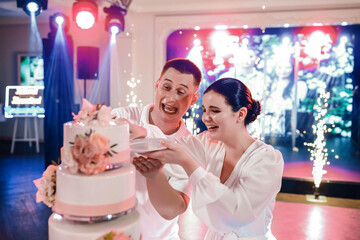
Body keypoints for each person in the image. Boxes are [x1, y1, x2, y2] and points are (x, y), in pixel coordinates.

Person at [135, 78, 284, 239]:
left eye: (215, 111)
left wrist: (189, 164)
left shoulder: (268, 159)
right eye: (204, 110)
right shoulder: (208, 143)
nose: (205, 117)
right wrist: (139, 132)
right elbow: (168, 144)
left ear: (241, 114)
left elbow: (237, 214)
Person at [112, 58, 202, 240]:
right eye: (166, 88)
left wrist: (155, 175)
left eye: (181, 92)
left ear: (193, 98)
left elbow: (173, 210)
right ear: (157, 85)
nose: (171, 98)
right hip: (112, 233)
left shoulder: (191, 147)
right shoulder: (124, 116)